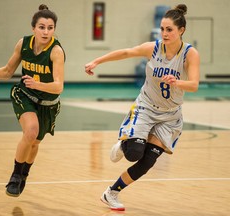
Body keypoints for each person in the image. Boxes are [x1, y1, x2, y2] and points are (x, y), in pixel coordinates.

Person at [85, 4, 199, 211]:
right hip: (146, 108)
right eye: (163, 29)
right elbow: (126, 52)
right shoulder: (153, 48)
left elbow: (194, 85)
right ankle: (125, 144)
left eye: (169, 30)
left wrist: (177, 82)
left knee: (147, 162)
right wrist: (96, 61)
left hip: (170, 115)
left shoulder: (190, 54)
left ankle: (111, 193)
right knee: (134, 154)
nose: (164, 33)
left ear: (181, 30)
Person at [0, 4, 65, 197]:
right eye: (41, 27)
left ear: (54, 29)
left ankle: (24, 174)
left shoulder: (55, 51)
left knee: (34, 143)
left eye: (50, 27)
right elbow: (8, 71)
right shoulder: (23, 43)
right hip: (24, 94)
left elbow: (58, 86)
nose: (46, 31)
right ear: (33, 28)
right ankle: (16, 175)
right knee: (31, 131)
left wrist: (38, 84)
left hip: (48, 104)